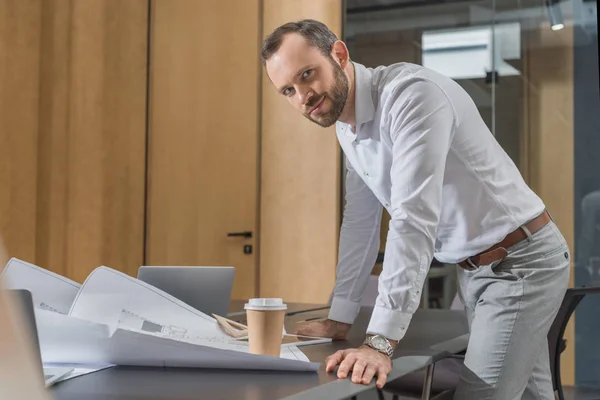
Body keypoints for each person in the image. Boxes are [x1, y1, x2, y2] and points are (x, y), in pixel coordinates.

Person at [261, 19, 570, 399]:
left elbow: (413, 219)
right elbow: (360, 221)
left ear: (339, 55)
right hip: (476, 271)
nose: (303, 96)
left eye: (308, 75)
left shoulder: (411, 97)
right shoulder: (348, 126)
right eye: (288, 90)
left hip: (521, 263)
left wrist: (380, 342)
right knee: (532, 396)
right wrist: (341, 317)